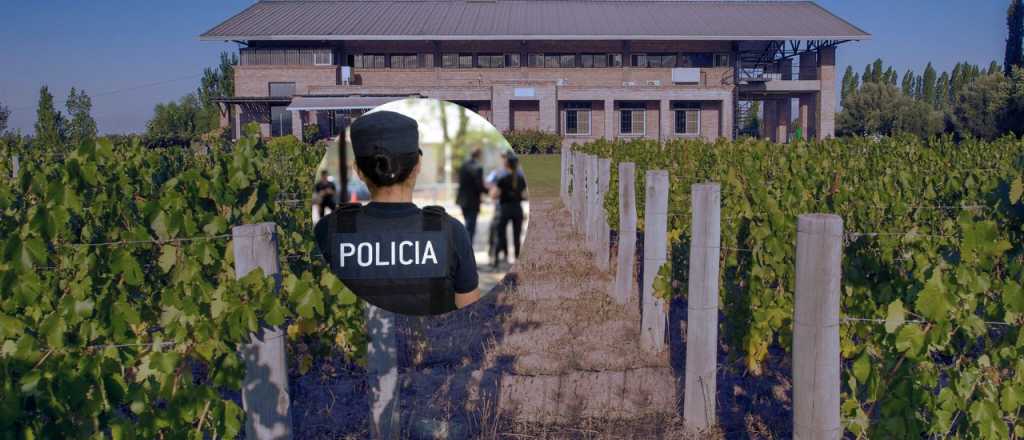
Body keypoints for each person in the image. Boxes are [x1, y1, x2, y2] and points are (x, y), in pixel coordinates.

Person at [314, 110, 481, 316]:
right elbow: (471, 315)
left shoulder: (327, 231)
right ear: (417, 166)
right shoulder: (451, 232)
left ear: (358, 171)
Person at [490, 152, 527, 269]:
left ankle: (495, 260)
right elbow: (525, 195)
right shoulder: (521, 179)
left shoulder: (502, 178)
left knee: (500, 234)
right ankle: (517, 260)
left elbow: (494, 195)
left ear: (507, 165)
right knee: (517, 237)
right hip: (517, 209)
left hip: (504, 209)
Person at [456, 148, 486, 242]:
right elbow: (479, 186)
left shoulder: (463, 165)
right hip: (473, 201)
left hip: (462, 200)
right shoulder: (478, 168)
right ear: (479, 155)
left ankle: (464, 245)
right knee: (471, 226)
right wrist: (488, 191)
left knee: (467, 223)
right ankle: (467, 248)